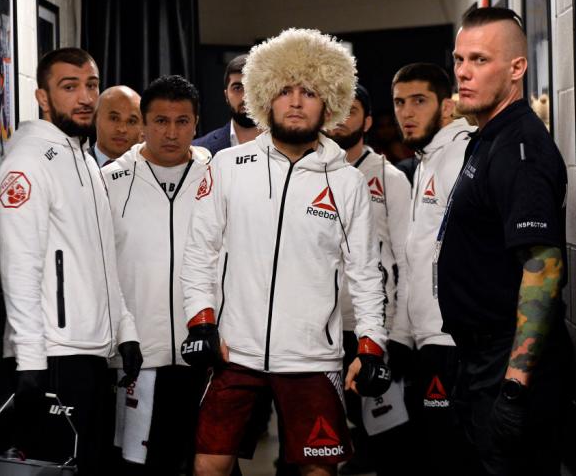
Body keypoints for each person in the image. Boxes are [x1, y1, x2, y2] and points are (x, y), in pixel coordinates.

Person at [180, 28, 390, 476]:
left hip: (314, 359)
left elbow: (365, 273)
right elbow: (200, 252)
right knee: (208, 464)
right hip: (235, 353)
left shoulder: (348, 181)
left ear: (329, 101)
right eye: (284, 90)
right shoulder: (227, 167)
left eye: (309, 91)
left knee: (318, 470)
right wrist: (202, 320)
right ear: (263, 97)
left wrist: (372, 346)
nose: (296, 102)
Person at [438, 7, 572, 475]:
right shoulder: (490, 136)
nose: (463, 73)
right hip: (479, 359)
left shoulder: (522, 149)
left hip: (508, 365)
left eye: (479, 60)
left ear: (517, 68)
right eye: (459, 59)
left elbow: (543, 265)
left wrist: (514, 388)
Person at [0, 47, 142, 476]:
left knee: (92, 467)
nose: (84, 97)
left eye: (91, 85)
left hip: (93, 352)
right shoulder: (26, 163)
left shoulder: (83, 160)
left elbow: (102, 260)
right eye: (69, 86)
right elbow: (19, 267)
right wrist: (29, 361)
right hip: (53, 356)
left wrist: (125, 330)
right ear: (43, 97)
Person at [102, 75, 211, 475]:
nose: (171, 132)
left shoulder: (218, 178)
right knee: (140, 464)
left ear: (196, 124)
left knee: (205, 460)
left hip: (204, 349)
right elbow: (102, 268)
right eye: (160, 121)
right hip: (136, 353)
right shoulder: (111, 181)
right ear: (142, 124)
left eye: (182, 121)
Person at [391, 62, 474, 475]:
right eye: (400, 103)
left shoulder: (461, 155)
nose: (406, 112)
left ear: (446, 106)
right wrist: (400, 337)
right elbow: (417, 258)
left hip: (451, 342)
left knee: (450, 457)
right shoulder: (426, 159)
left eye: (418, 101)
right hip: (427, 340)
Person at [327, 83, 411, 476]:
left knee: (386, 430)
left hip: (375, 327)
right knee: (331, 435)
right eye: (336, 109)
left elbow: (407, 259)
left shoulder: (389, 177)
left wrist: (399, 331)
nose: (342, 117)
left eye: (352, 109)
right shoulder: (313, 172)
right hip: (325, 327)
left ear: (368, 120)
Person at [193, 54, 259, 153]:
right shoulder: (198, 150)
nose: (245, 96)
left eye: (253, 87)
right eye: (237, 88)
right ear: (226, 95)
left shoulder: (288, 145)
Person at [90, 85, 143, 167]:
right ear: (95, 118)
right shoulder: (72, 165)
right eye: (114, 118)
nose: (122, 129)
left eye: (131, 121)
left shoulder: (153, 173)